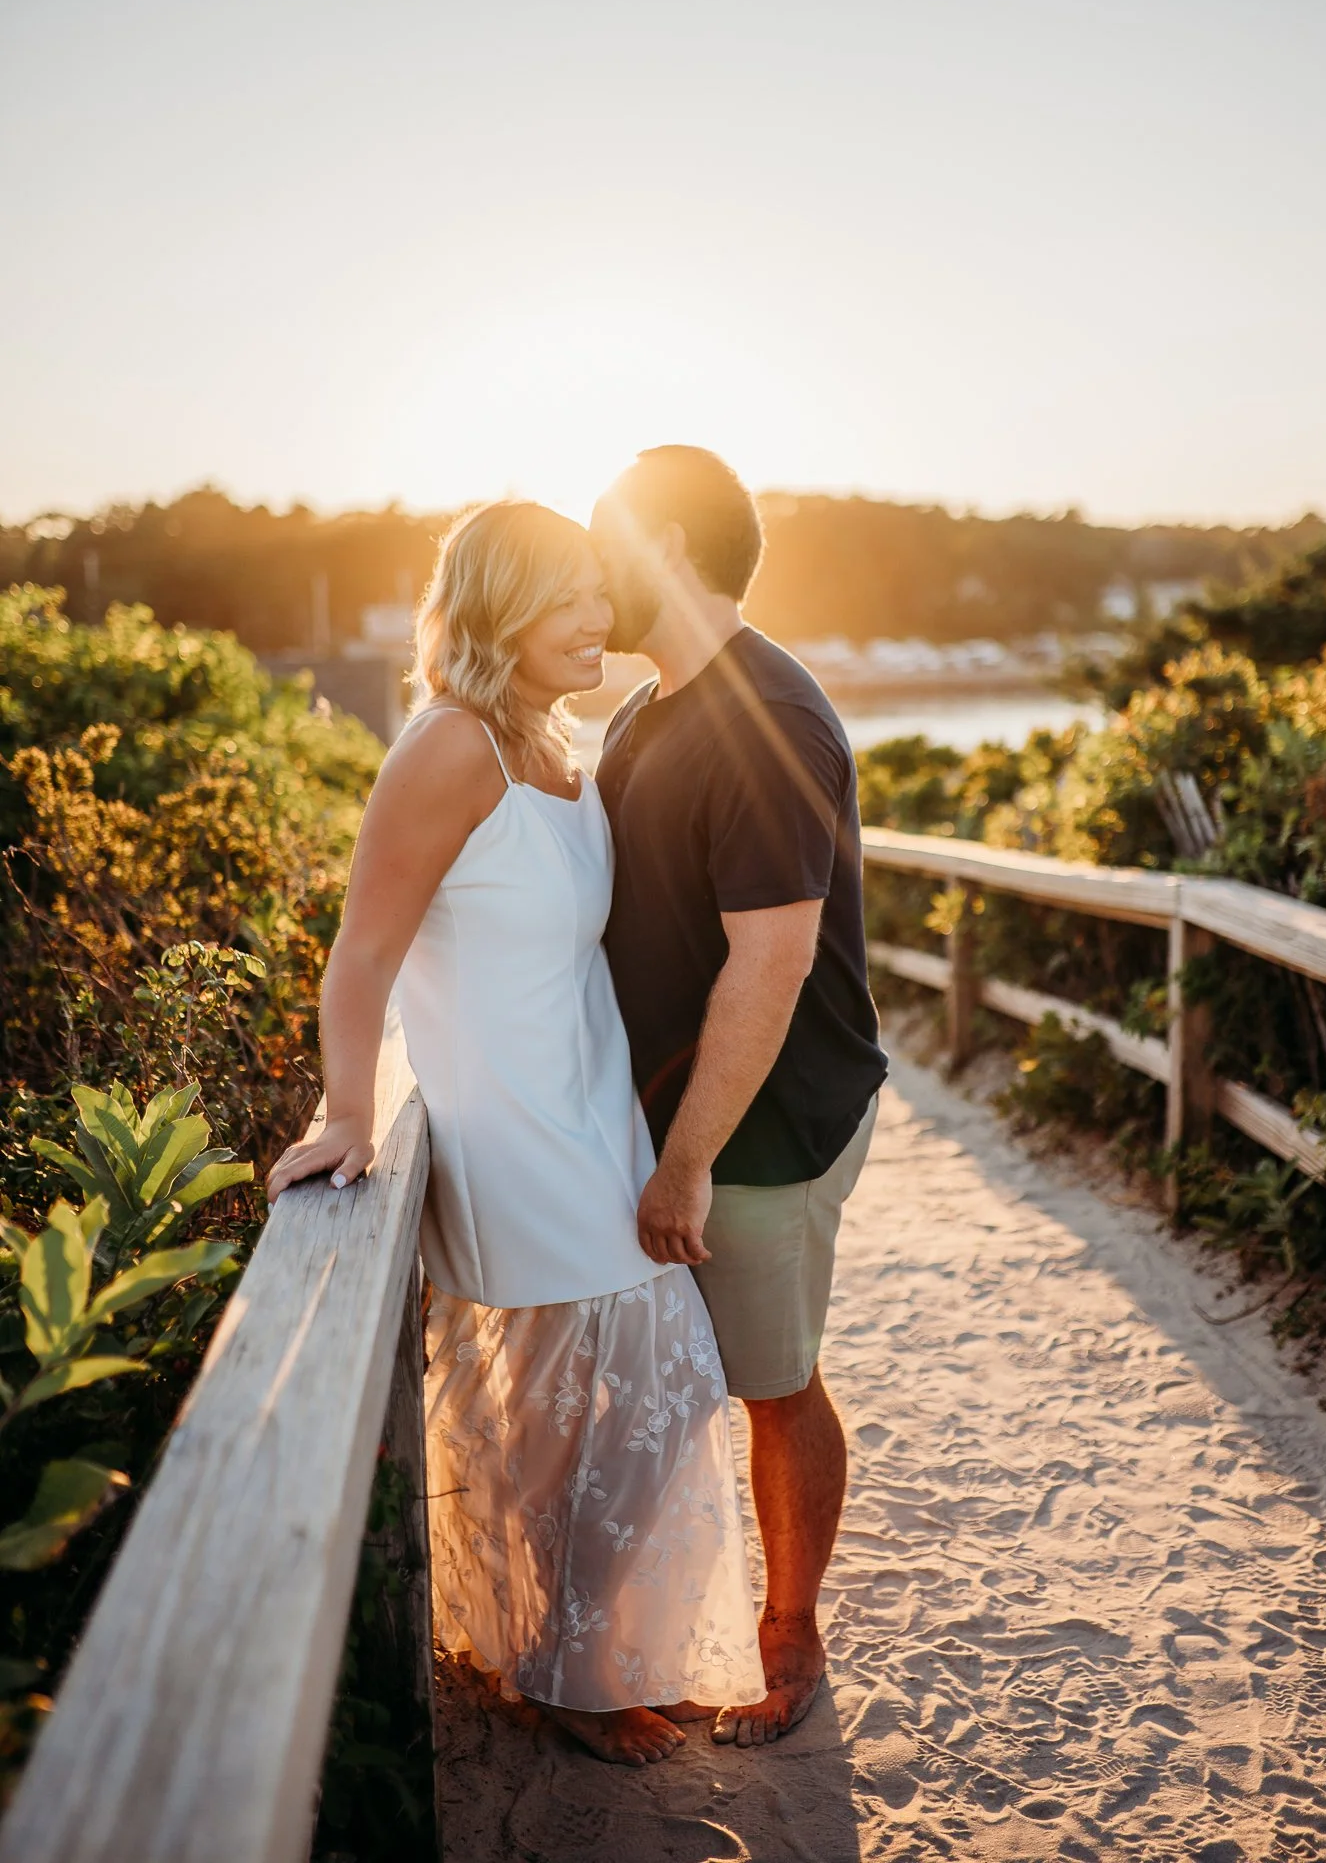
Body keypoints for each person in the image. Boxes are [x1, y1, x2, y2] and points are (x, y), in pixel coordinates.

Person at [266, 500, 764, 1768]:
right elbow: (362, 955)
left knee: (621, 1405)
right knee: (609, 1405)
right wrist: (346, 1112)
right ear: (495, 611)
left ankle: (565, 1653)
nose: (600, 619)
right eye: (567, 601)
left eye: (601, 591)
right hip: (516, 1140)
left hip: (596, 1117)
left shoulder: (552, 739)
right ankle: (571, 1675)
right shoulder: (447, 747)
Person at [591, 446, 888, 1750]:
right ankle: (639, 1640)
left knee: (773, 1385)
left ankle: (790, 1630)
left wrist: (686, 1160)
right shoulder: (643, 710)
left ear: (661, 547)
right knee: (656, 1383)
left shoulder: (771, 721)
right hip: (683, 1123)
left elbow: (769, 970)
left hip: (765, 1130)